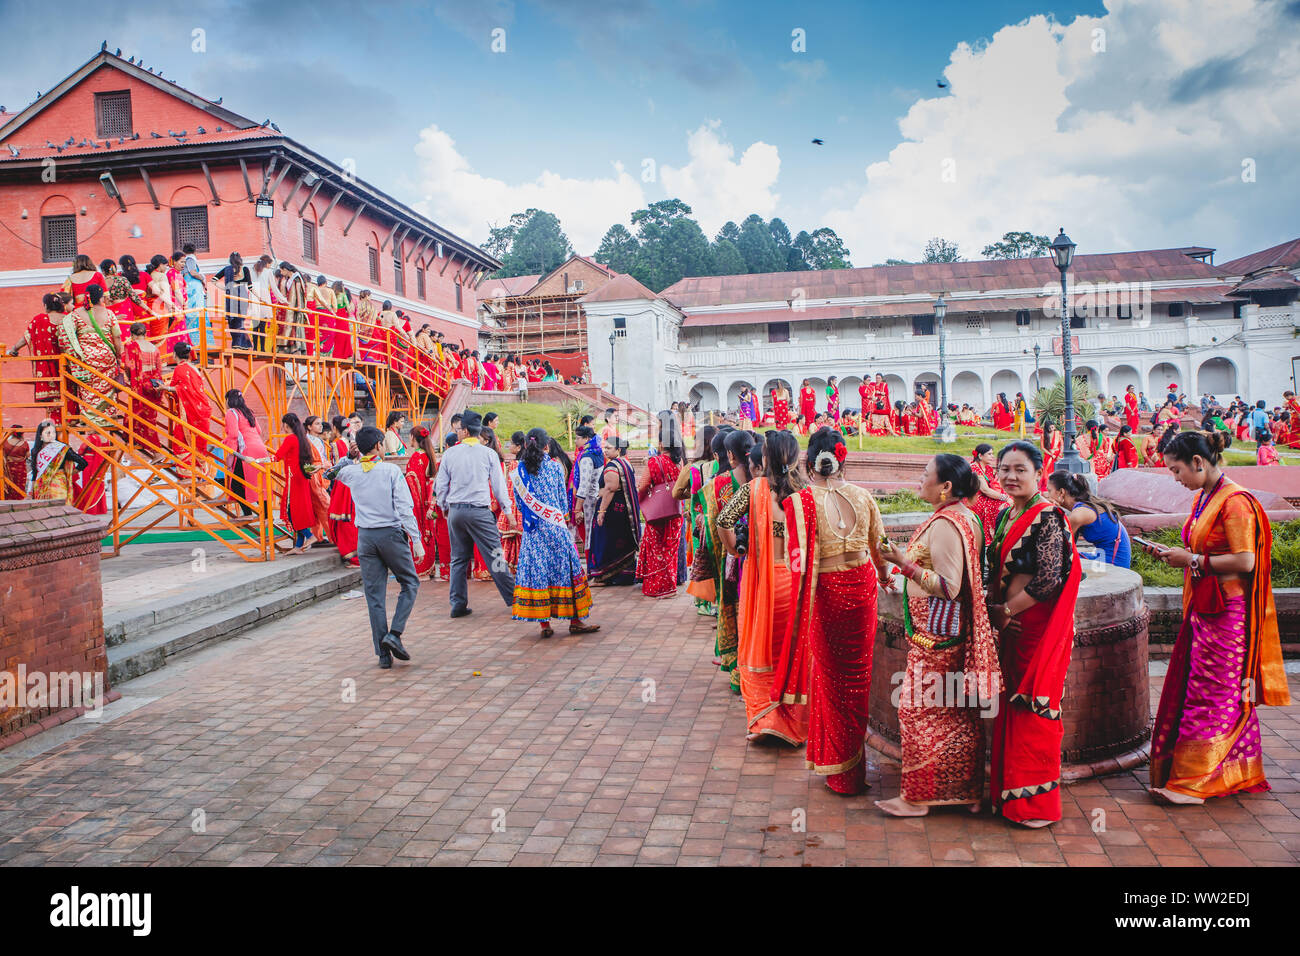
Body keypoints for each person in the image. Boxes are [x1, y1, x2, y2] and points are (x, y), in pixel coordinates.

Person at [1141, 430, 1290, 804]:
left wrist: (1192, 560)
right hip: (1207, 609)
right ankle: (1233, 770)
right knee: (1210, 688)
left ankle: (1194, 783)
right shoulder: (1206, 497)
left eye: (1176, 471)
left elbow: (1246, 561)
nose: (1175, 479)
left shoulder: (1235, 502)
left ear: (1197, 462)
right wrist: (1177, 553)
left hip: (1228, 614)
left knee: (1214, 691)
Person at [876, 454, 1001, 817]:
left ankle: (917, 799)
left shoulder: (948, 523)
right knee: (957, 712)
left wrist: (904, 564)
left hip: (938, 632)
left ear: (945, 486)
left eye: (925, 474)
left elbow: (948, 587)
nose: (920, 479)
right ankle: (965, 792)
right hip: (946, 628)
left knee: (916, 711)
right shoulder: (965, 515)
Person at [774, 427, 889, 794]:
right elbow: (880, 548)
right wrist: (885, 576)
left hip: (825, 595)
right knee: (858, 678)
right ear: (843, 458)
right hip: (862, 590)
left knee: (831, 680)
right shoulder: (864, 496)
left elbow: (792, 559)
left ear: (810, 462)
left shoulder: (799, 503)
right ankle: (850, 768)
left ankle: (843, 773)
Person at [986, 441, 1082, 828]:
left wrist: (1006, 612)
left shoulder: (1049, 518)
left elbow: (1048, 581)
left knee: (1034, 709)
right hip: (1012, 628)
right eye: (1004, 469)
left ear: (1039, 473)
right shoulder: (1007, 515)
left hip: (1034, 628)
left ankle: (1036, 806)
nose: (1010, 476)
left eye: (1019, 469)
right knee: (1012, 707)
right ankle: (1010, 796)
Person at [717, 430, 808, 744]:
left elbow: (724, 520)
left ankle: (766, 720)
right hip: (795, 583)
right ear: (796, 459)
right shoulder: (805, 493)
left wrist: (736, 550)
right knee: (791, 652)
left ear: (765, 458)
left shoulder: (753, 490)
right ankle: (792, 724)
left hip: (762, 583)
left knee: (763, 648)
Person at [326, 426, 421, 669]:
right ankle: (395, 634)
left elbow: (329, 474)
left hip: (365, 538)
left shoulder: (352, 472)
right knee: (410, 582)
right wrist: (416, 539)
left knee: (374, 595)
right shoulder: (390, 470)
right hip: (390, 534)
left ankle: (383, 655)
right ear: (379, 445)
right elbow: (403, 506)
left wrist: (349, 456)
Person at [509, 427, 601, 638]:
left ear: (525, 445)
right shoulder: (555, 467)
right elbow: (561, 498)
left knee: (539, 573)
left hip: (533, 530)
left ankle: (545, 624)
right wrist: (566, 520)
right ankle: (575, 620)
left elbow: (519, 502)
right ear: (547, 446)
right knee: (566, 571)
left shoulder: (518, 470)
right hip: (556, 528)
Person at [434, 409, 517, 617]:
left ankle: (458, 604)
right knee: (495, 555)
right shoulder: (488, 454)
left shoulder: (450, 453)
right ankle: (514, 598)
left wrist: (444, 507)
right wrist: (508, 511)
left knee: (458, 559)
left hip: (456, 511)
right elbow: (499, 487)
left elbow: (441, 486)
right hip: (479, 511)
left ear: (463, 432)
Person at [701, 429, 753, 692]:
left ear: (729, 455)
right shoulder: (765, 480)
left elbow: (712, 528)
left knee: (732, 610)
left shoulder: (718, 484)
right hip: (759, 558)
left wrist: (721, 555)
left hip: (730, 558)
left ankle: (736, 672)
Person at [635, 416, 685, 599]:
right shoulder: (679, 462)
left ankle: (658, 587)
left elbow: (642, 486)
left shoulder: (654, 462)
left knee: (656, 550)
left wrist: (643, 502)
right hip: (675, 511)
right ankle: (670, 586)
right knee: (670, 550)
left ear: (662, 443)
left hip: (657, 513)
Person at [1048, 472, 1132, 568]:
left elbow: (1058, 546)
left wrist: (1049, 509)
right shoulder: (1085, 505)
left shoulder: (1079, 514)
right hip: (1110, 558)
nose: (1046, 494)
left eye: (1049, 490)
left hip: (1114, 564)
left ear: (1061, 492)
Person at [589, 435, 641, 586]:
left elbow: (610, 489)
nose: (605, 451)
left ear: (618, 450)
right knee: (621, 541)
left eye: (609, 448)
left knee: (605, 541)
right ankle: (624, 574)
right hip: (624, 511)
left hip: (612, 511)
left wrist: (601, 512)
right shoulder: (626, 463)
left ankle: (602, 577)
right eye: (604, 448)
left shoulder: (613, 466)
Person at [7, 294, 66, 422]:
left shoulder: (40, 320)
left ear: (46, 306)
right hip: (68, 370)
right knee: (67, 402)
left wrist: (13, 349)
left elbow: (26, 338)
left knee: (54, 408)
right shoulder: (68, 319)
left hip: (48, 372)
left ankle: (56, 434)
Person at [275, 413, 318, 554]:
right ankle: (298, 546)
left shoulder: (290, 439)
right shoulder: (302, 439)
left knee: (291, 512)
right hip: (301, 478)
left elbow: (277, 457)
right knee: (298, 512)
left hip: (293, 479)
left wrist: (256, 461)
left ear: (286, 425)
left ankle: (310, 536)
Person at [221, 388, 268, 518]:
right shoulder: (249, 412)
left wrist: (229, 452)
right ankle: (266, 516)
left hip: (247, 451)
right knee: (259, 483)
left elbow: (234, 434)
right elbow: (258, 430)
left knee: (235, 484)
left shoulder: (231, 412)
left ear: (229, 400)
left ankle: (247, 513)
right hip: (260, 449)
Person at [404, 425, 441, 578]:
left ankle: (421, 569)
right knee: (428, 534)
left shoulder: (416, 457)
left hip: (417, 503)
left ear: (413, 438)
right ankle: (429, 567)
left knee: (417, 533)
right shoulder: (427, 455)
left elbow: (412, 483)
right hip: (428, 503)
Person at [28, 419, 87, 502]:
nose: (50, 435)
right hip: (41, 487)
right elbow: (35, 472)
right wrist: (31, 492)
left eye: (52, 432)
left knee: (59, 507)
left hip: (58, 483)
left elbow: (83, 463)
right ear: (40, 435)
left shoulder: (62, 449)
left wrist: (69, 474)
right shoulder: (36, 451)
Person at [968, 443, 1008, 545]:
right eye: (989, 454)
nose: (992, 456)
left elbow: (994, 485)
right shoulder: (974, 468)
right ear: (980, 456)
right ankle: (994, 536)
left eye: (993, 454)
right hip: (975, 498)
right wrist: (1005, 497)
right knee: (1002, 505)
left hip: (988, 496)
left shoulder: (989, 469)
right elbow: (985, 490)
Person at [214, 253, 252, 350]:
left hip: (231, 296)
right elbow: (250, 287)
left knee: (232, 321)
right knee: (240, 320)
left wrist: (225, 288)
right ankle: (239, 344)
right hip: (242, 295)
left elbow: (214, 280)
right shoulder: (245, 269)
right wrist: (260, 298)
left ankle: (238, 344)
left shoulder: (227, 269)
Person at [181, 243, 213, 350]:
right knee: (196, 311)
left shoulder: (184, 260)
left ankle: (194, 340)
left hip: (190, 286)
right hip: (193, 286)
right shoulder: (190, 259)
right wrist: (203, 279)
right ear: (195, 251)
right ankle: (196, 341)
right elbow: (193, 272)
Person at [2, 428, 28, 499]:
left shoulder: (5, 443)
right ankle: (20, 500)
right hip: (21, 468)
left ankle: (9, 500)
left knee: (9, 486)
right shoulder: (25, 443)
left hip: (9, 468)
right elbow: (28, 455)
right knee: (19, 485)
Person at [1039, 419, 1063, 489]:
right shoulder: (1043, 435)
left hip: (1058, 455)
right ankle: (1048, 486)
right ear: (1047, 428)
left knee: (1058, 470)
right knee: (1047, 472)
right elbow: (1042, 448)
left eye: (1053, 427)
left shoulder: (1058, 433)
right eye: (1050, 428)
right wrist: (1051, 454)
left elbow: (1061, 445)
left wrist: (1059, 455)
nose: (1052, 429)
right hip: (1049, 456)